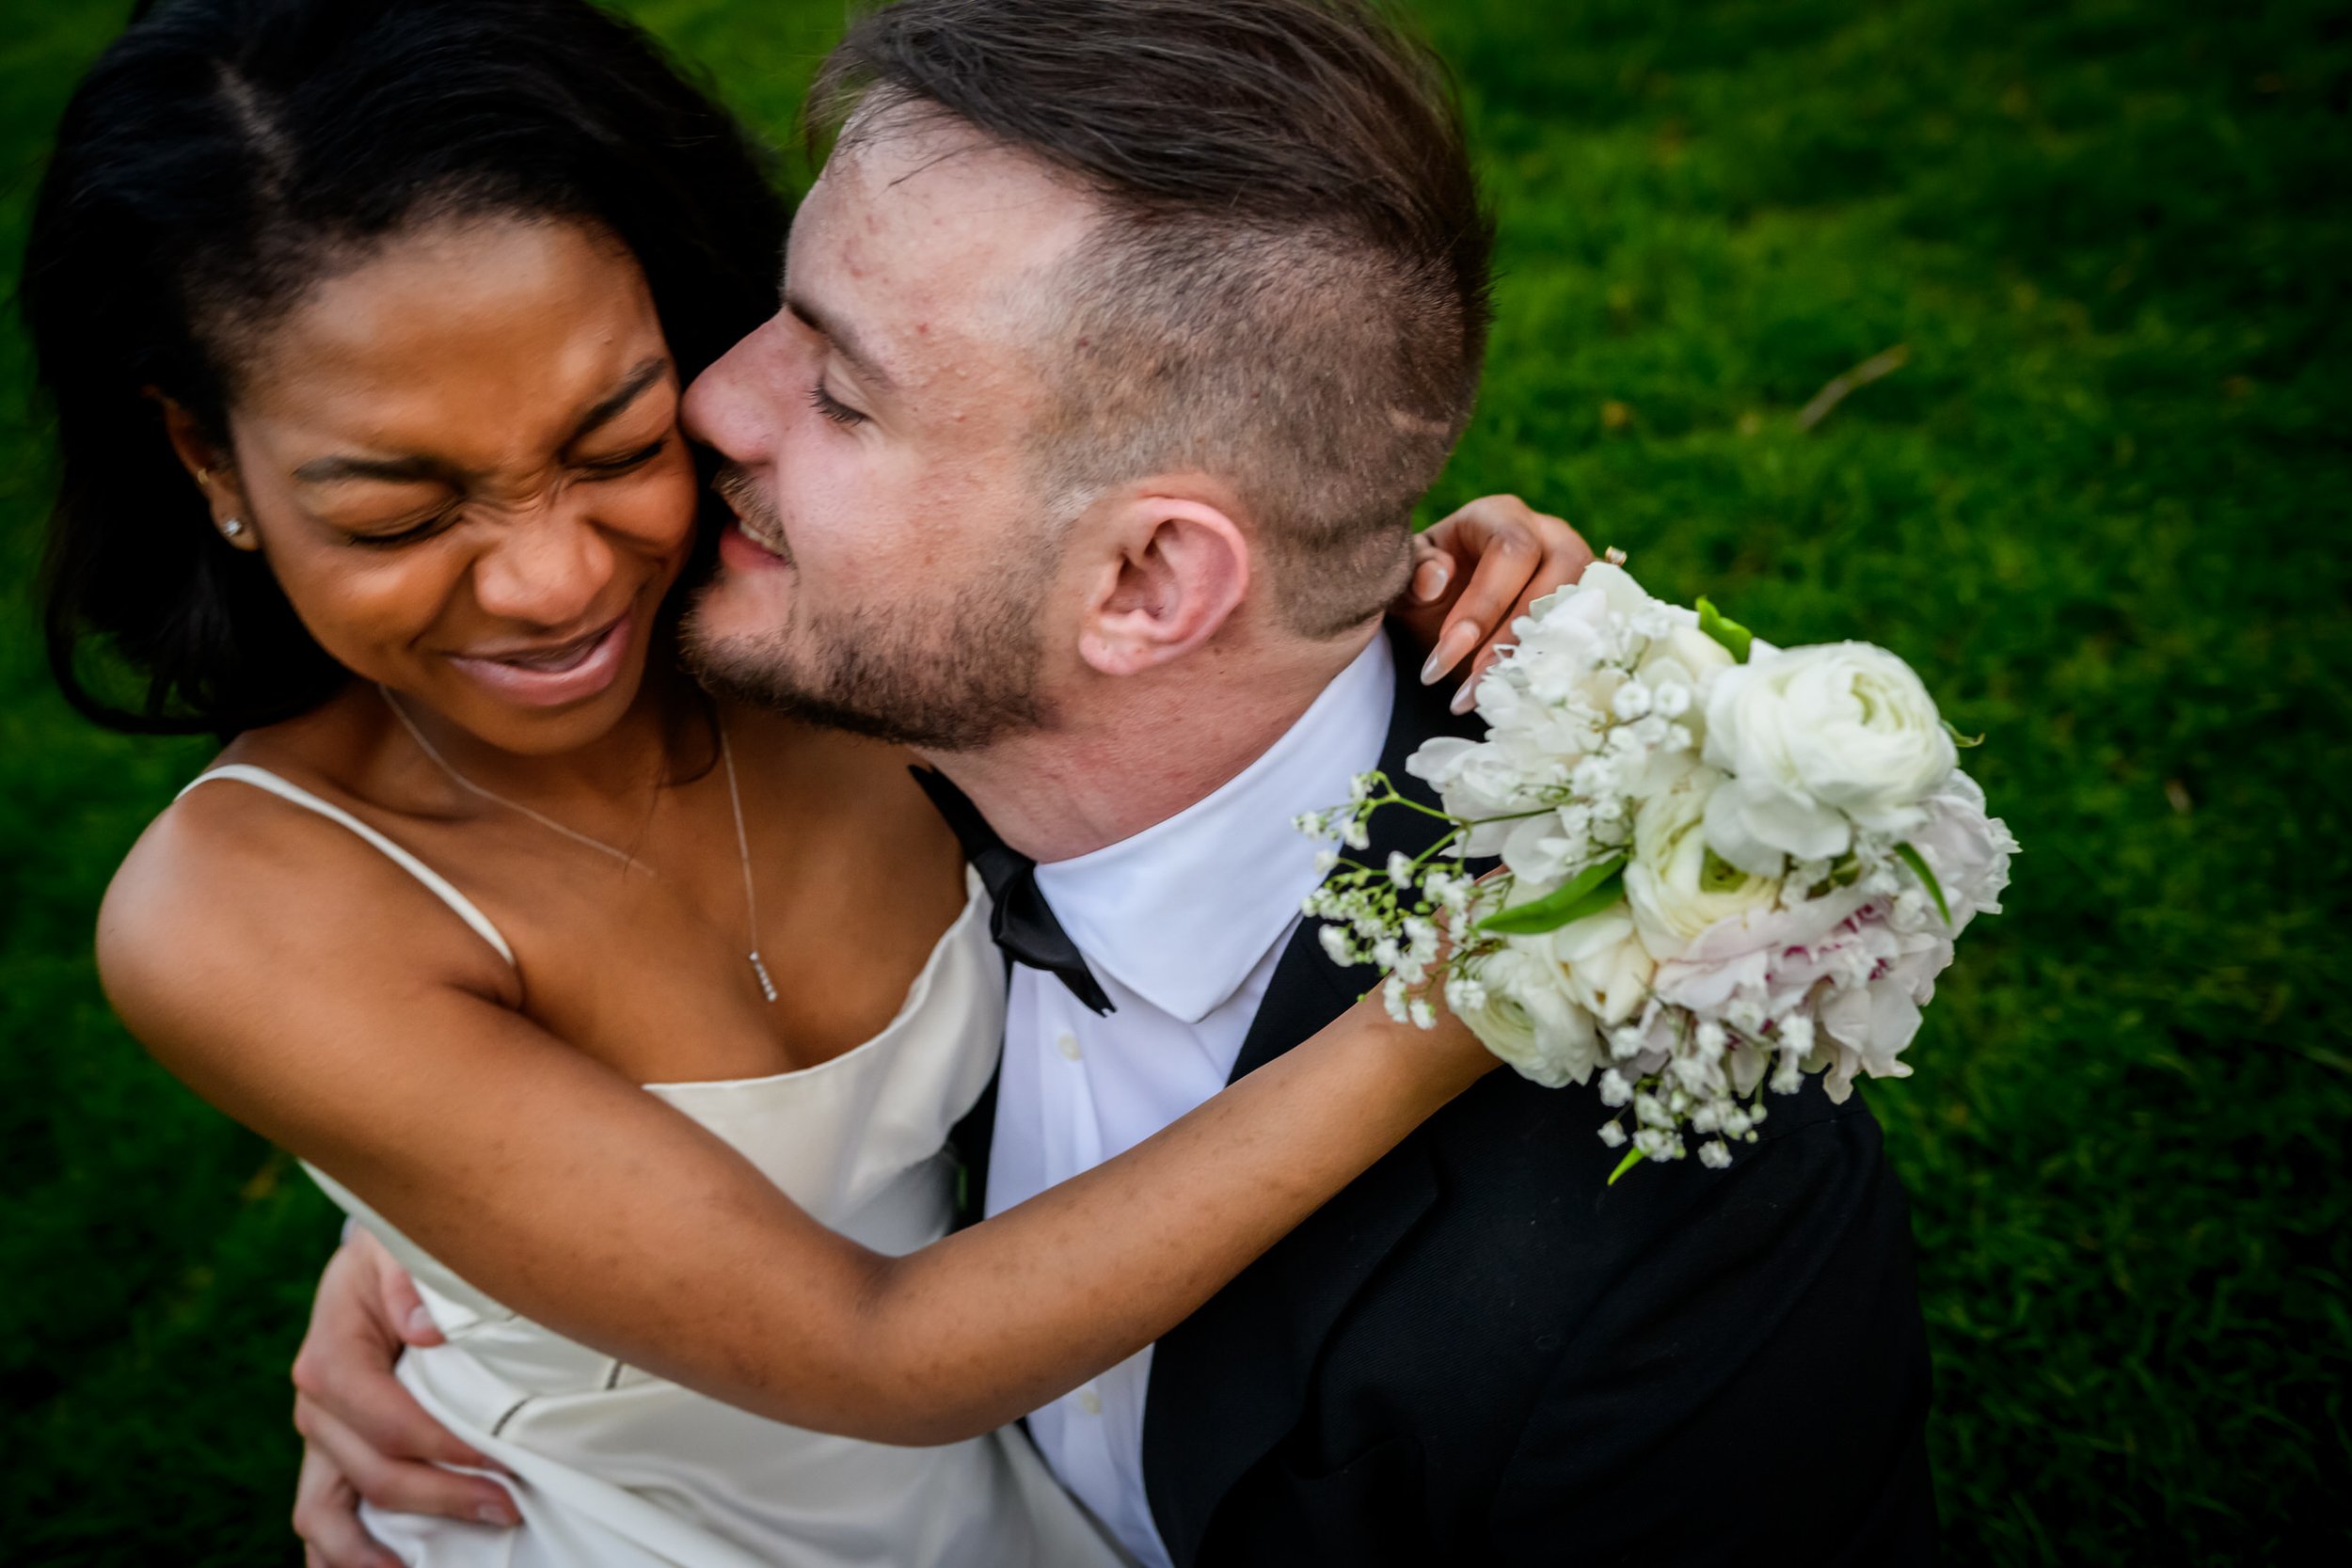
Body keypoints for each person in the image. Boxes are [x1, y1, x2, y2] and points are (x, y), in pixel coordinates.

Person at [292, 1, 1943, 1564]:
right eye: (781, 317)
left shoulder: (1662, 1265)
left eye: (842, 389)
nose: (712, 401)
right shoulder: (865, 725)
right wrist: (462, 1241)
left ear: (1150, 587)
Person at [24, 2, 1592, 1565]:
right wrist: (1454, 1005)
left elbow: (1104, 548)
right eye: (396, 514)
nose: (557, 584)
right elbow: (879, 1352)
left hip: (1029, 1478)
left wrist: (1383, 555)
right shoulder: (235, 917)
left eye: (610, 435)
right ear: (211, 464)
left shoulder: (815, 638)